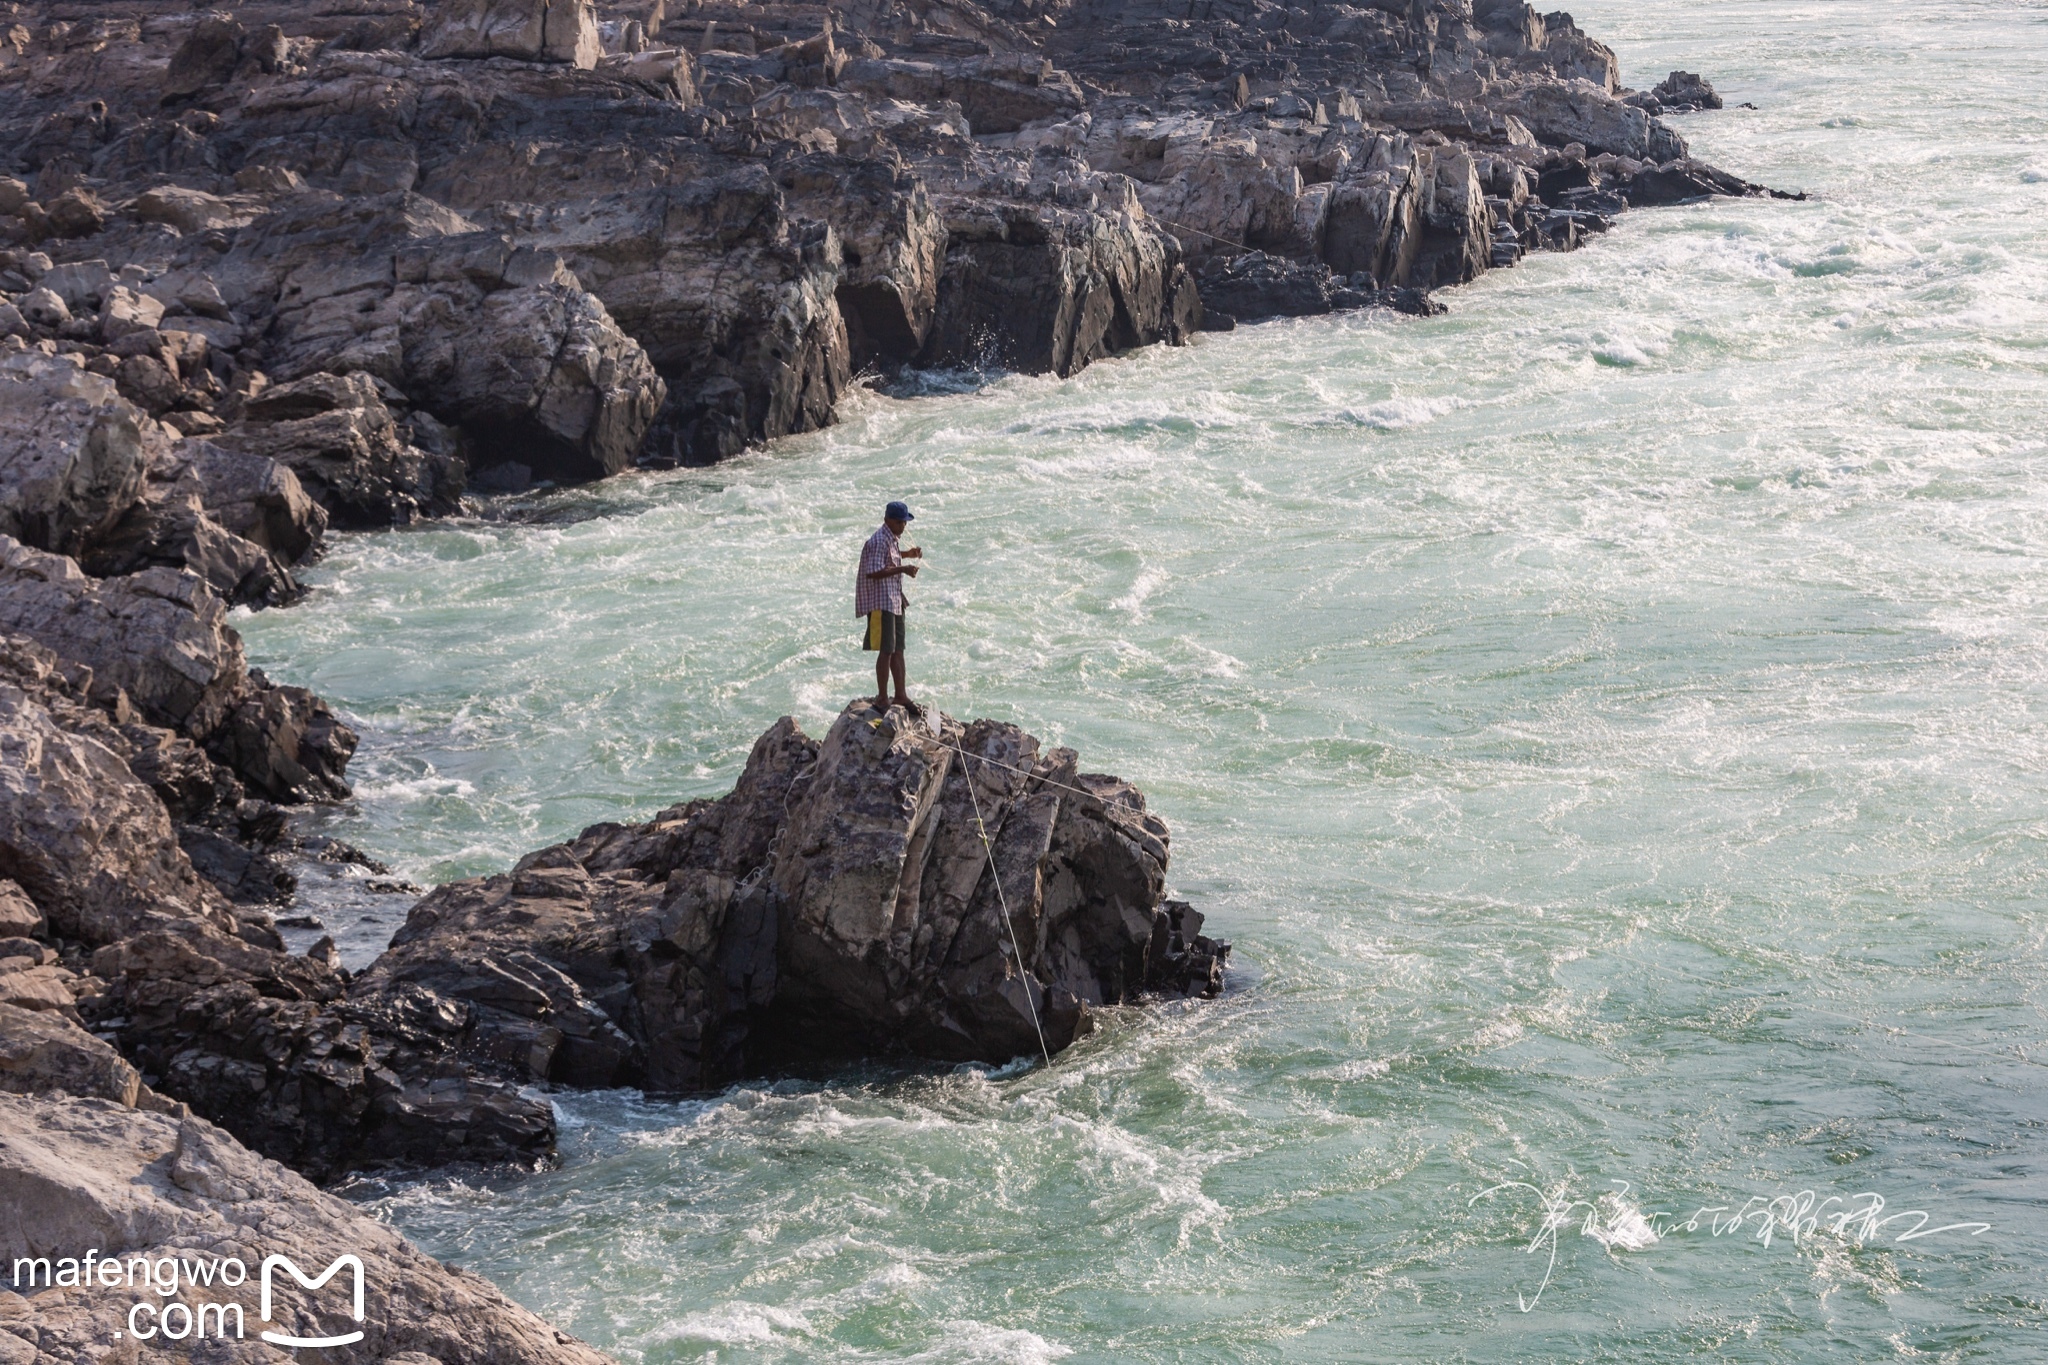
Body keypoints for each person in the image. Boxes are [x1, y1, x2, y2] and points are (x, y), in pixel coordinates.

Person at [856, 500, 923, 712]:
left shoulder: (891, 538)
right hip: (881, 602)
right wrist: (903, 569)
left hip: (894, 600)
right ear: (888, 521)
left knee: (898, 649)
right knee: (886, 650)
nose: (904, 526)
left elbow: (890, 557)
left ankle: (900, 695)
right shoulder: (878, 541)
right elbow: (873, 571)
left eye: (905, 523)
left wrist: (907, 554)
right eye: (900, 522)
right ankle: (882, 698)